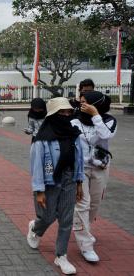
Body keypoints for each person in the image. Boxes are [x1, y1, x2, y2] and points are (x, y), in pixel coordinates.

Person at [27, 97, 84, 275]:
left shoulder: (74, 134)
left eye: (68, 112)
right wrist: (39, 191)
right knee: (47, 216)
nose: (66, 115)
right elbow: (36, 166)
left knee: (66, 219)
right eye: (62, 112)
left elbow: (79, 160)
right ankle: (35, 229)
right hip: (49, 181)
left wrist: (79, 182)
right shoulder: (42, 139)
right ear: (52, 115)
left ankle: (61, 255)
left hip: (69, 179)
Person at [71, 91, 117, 263]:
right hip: (79, 168)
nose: (82, 105)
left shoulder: (109, 121)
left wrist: (95, 115)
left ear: (96, 104)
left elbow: (106, 135)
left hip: (100, 167)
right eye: (80, 102)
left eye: (86, 103)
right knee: (82, 203)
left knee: (94, 204)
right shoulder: (74, 120)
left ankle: (84, 230)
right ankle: (86, 245)